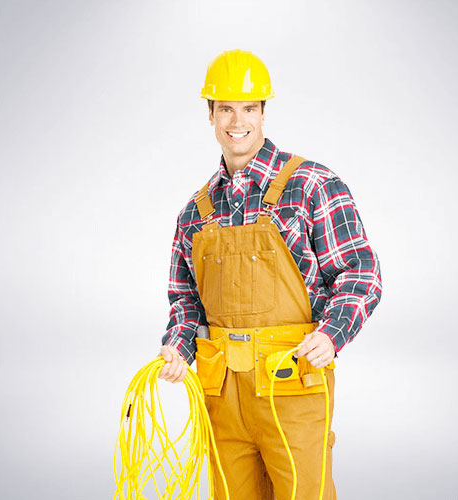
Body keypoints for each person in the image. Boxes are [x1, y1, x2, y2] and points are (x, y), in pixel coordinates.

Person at [159, 49, 382, 500]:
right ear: (210, 115)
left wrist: (332, 334)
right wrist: (178, 347)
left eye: (248, 108)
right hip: (223, 396)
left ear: (263, 112)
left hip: (291, 384)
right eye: (225, 109)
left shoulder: (312, 185)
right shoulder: (195, 213)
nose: (237, 121)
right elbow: (186, 301)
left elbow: (360, 272)